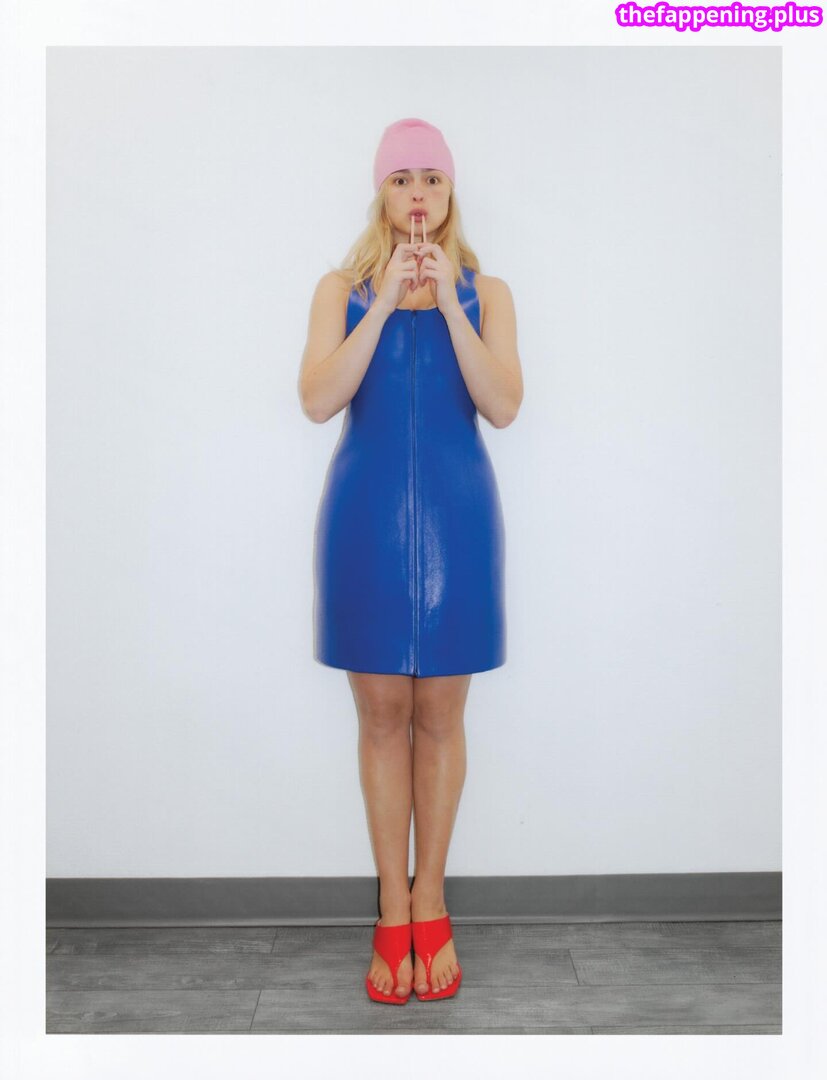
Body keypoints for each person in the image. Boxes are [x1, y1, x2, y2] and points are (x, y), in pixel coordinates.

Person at [299, 118, 523, 1004]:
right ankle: (392, 909)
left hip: (458, 521)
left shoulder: (489, 292)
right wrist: (388, 299)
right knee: (382, 716)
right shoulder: (341, 289)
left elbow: (503, 404)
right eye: (402, 179)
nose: (418, 193)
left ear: (450, 191)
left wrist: (452, 308)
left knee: (441, 716)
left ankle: (432, 899)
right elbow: (318, 398)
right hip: (368, 520)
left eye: (431, 177)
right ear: (382, 194)